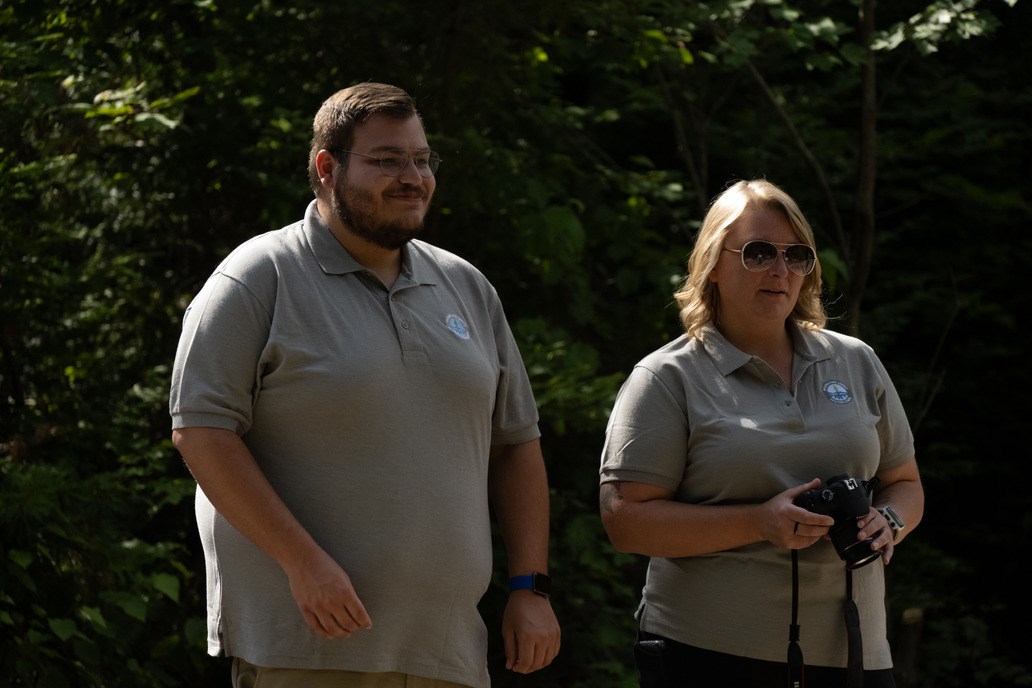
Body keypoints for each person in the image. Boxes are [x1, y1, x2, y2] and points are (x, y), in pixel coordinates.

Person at [170, 82, 560, 688]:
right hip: (309, 646)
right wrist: (302, 562)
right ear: (328, 168)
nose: (413, 176)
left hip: (446, 652)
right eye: (386, 160)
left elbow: (516, 445)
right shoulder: (258, 278)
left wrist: (529, 586)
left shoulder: (466, 286)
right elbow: (201, 432)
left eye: (422, 159)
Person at [598, 179, 924, 688]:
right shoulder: (667, 378)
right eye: (758, 252)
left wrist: (888, 520)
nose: (780, 270)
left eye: (798, 255)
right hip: (707, 653)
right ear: (712, 263)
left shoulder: (856, 361)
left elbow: (905, 483)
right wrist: (759, 521)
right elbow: (625, 521)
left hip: (854, 655)